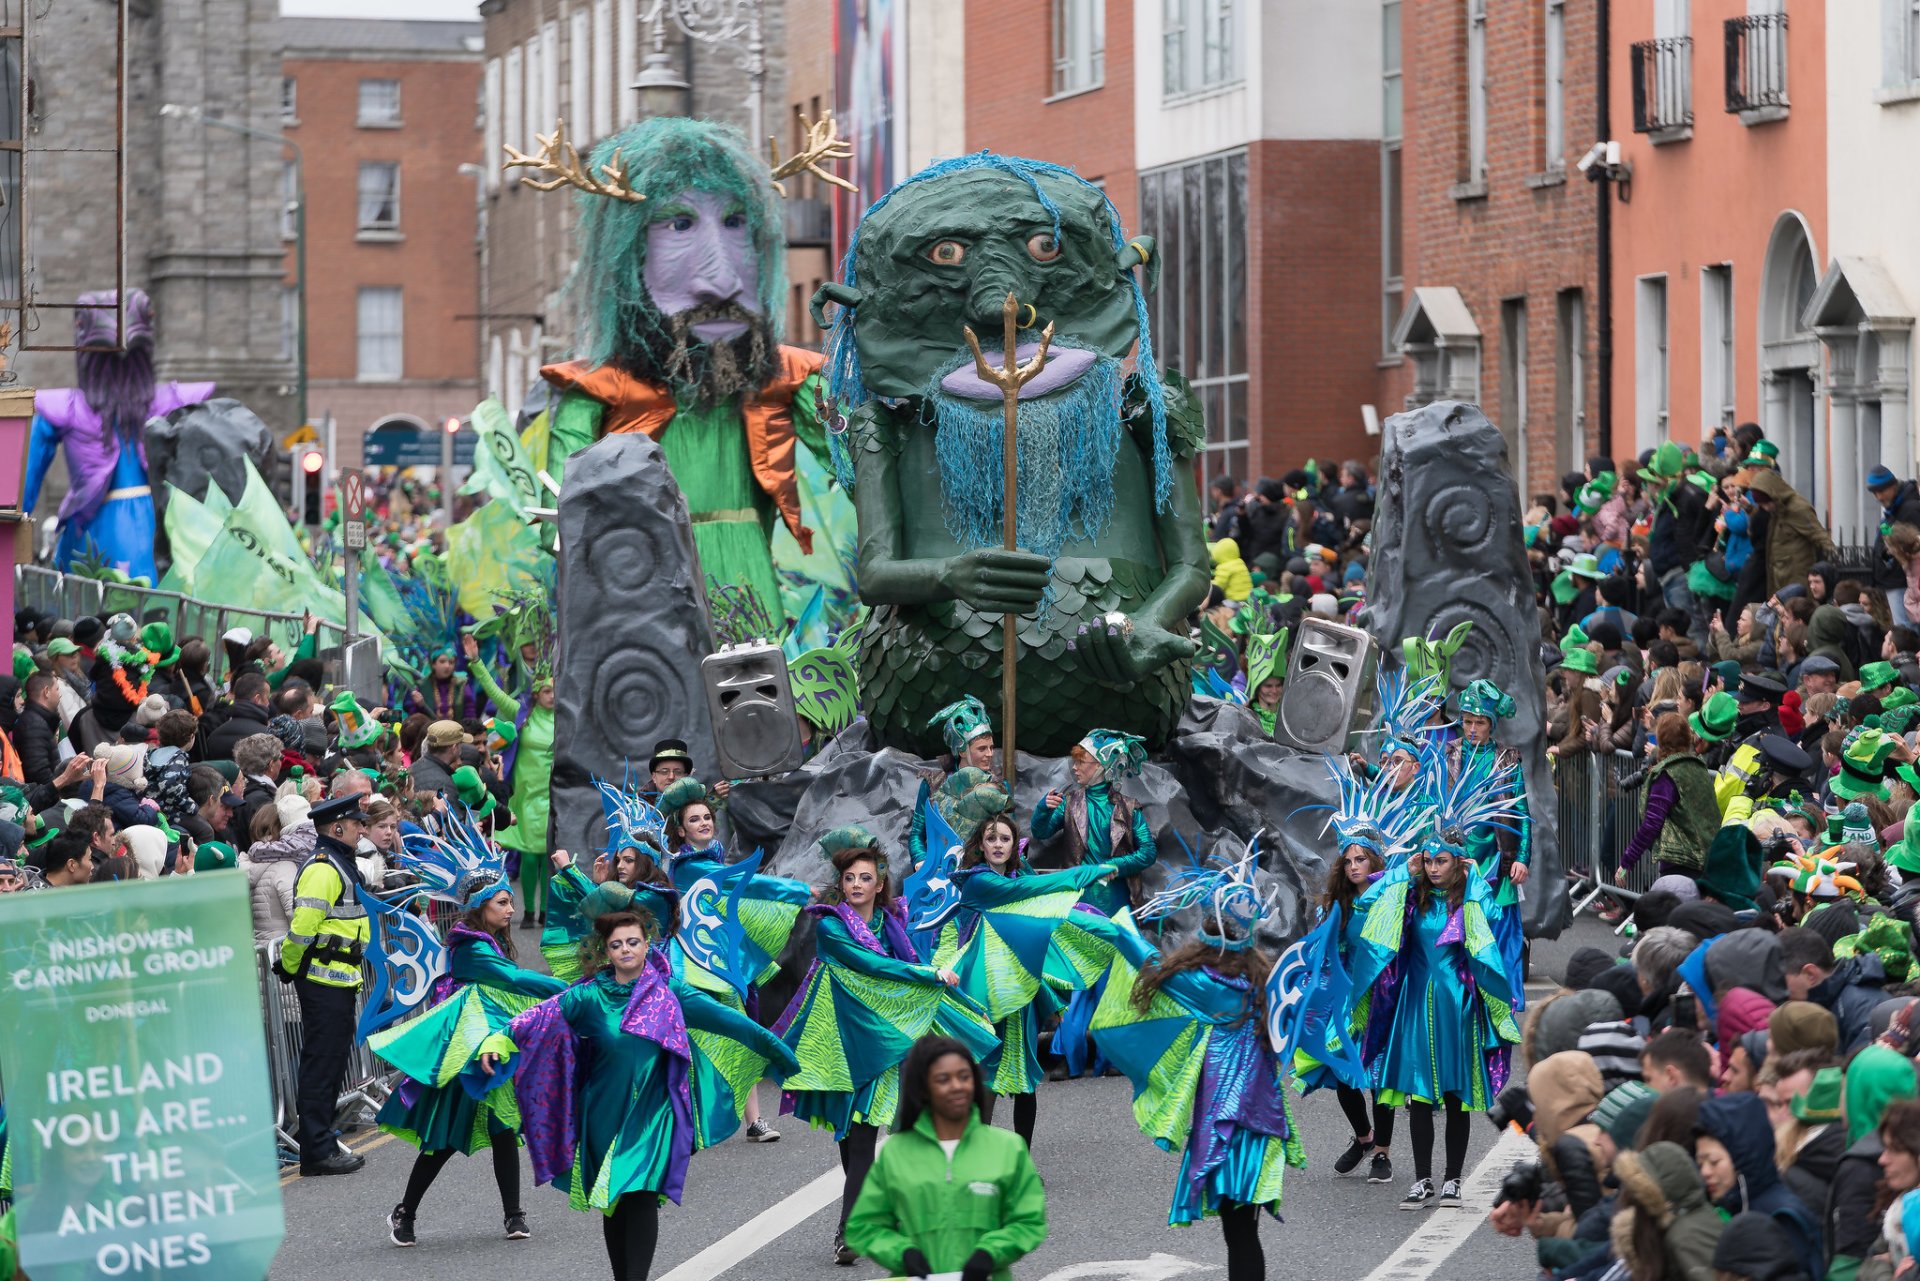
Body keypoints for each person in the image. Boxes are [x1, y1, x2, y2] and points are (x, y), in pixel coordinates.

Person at [494, 910, 799, 1281]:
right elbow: (540, 1016)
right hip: (603, 1111)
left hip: (653, 1112)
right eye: (617, 944)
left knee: (639, 1192)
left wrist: (776, 1049)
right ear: (606, 952)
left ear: (646, 944)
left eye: (633, 942)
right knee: (615, 1200)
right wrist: (502, 1037)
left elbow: (729, 1021)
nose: (626, 949)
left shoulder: (671, 993)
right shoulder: (589, 997)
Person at [773, 827, 994, 1264]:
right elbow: (873, 965)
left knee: (861, 1136)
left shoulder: (892, 922)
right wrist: (927, 974)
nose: (856, 885)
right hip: (841, 1044)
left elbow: (903, 962)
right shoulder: (831, 925)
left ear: (879, 883)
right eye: (850, 878)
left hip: (884, 1039)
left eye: (865, 878)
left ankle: (850, 1230)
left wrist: (956, 995)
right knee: (851, 1138)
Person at [1090, 848, 1306, 1281]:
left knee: (1239, 1234)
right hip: (1262, 1120)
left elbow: (1149, 963)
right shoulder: (1259, 979)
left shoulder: (1208, 985)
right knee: (1245, 1232)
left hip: (1229, 1121)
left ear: (1210, 928)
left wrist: (1113, 926)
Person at [371, 874, 567, 1248]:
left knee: (503, 1126)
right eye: (503, 903)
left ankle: (514, 1214)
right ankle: (405, 1212)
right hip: (463, 1055)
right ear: (481, 907)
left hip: (487, 1048)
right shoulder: (472, 949)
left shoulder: (485, 942)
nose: (512, 909)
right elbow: (515, 979)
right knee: (441, 1139)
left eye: (511, 902)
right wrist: (571, 990)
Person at [1349, 827, 1522, 1210]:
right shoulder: (1413, 896)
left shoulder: (1469, 899)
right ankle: (1423, 1180)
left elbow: (1495, 917)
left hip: (1457, 1008)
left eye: (1440, 861)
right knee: (1420, 1095)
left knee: (1456, 1097)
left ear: (1457, 862)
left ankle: (1453, 1181)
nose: (1433, 868)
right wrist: (1403, 871)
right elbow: (1368, 905)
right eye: (1428, 861)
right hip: (1414, 1005)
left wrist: (1475, 876)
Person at [932, 805, 1116, 1148]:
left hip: (1019, 989)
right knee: (985, 1073)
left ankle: (1021, 1163)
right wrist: (1086, 873)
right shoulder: (979, 882)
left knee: (1025, 1079)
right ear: (981, 846)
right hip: (982, 992)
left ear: (1014, 844)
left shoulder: (1015, 880)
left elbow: (1036, 936)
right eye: (991, 838)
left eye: (1005, 838)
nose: (998, 844)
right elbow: (1035, 890)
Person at [843, 1035, 1047, 1281]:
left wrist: (990, 1254)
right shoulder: (897, 1152)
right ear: (923, 1089)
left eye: (964, 1076)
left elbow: (1029, 1221)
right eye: (943, 1079)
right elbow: (864, 1227)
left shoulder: (1008, 1148)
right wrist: (903, 1254)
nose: (957, 1086)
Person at [1031, 728, 1158, 1076]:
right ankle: (1068, 1057)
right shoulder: (1071, 803)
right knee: (1079, 982)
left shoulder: (1129, 809)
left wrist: (1114, 866)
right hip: (1081, 904)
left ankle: (1110, 1057)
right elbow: (1041, 832)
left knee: (1114, 981)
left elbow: (1148, 852)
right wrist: (1044, 809)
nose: (1075, 769)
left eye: (1082, 762)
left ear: (1102, 766)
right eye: (1075, 762)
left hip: (1116, 904)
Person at [276, 791, 374, 1176]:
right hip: (322, 980)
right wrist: (290, 965)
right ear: (336, 827)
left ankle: (323, 1141)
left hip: (339, 979)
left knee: (331, 1065)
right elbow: (302, 929)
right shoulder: (322, 867)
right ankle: (316, 1151)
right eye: (356, 823)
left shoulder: (339, 863)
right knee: (321, 1066)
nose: (361, 829)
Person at [463, 632, 555, 930]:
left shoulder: (567, 718)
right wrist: (476, 662)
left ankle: (546, 911)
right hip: (526, 796)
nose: (552, 696)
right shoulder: (523, 714)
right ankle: (527, 911)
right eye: (546, 691)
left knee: (547, 857)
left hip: (552, 796)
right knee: (528, 856)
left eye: (555, 690)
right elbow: (494, 693)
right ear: (536, 693)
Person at [1693, 1091, 1824, 1279]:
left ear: (1743, 1159)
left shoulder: (1782, 1217)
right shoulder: (1732, 1204)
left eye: (1713, 1162)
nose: (1704, 1172)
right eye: (1700, 1163)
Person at [1618, 712, 1719, 883]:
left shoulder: (1667, 775)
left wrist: (1627, 862)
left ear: (1661, 740)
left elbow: (1652, 824)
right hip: (1708, 860)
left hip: (1680, 865)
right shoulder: (1698, 768)